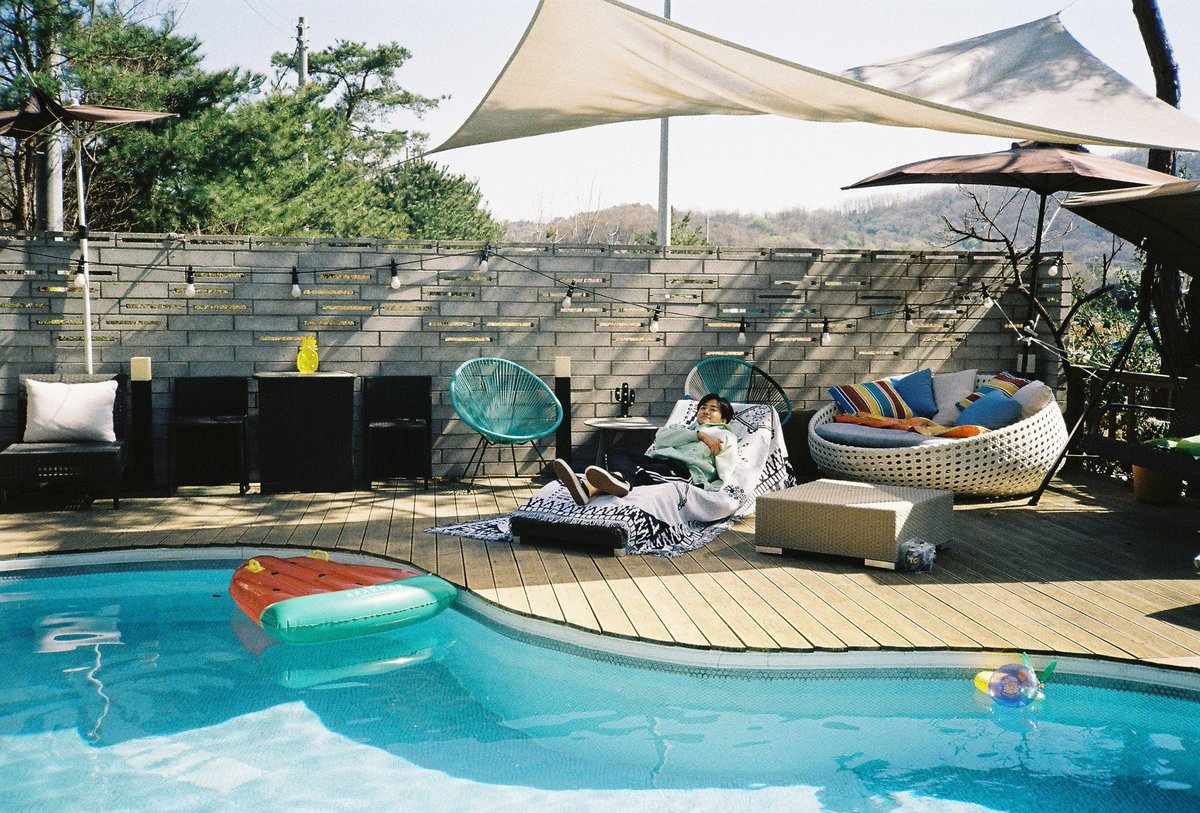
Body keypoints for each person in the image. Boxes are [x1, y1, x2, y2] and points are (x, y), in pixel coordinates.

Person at [554, 393, 739, 506]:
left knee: (640, 471)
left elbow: (726, 468)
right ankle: (612, 483)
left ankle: (588, 487)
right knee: (616, 450)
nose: (706, 411)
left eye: (713, 409)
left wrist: (711, 488)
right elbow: (661, 438)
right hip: (657, 460)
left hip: (683, 470)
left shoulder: (724, 436)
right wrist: (699, 435)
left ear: (723, 420)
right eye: (703, 407)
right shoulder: (683, 429)